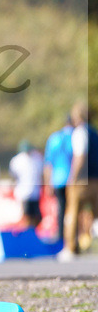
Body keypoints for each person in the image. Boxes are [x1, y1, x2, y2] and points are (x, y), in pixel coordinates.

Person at [60, 102, 98, 260]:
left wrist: (72, 178)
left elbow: (80, 157)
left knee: (72, 211)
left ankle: (70, 247)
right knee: (96, 214)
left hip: (83, 180)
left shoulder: (80, 132)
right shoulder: (95, 132)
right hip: (96, 179)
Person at [43, 117, 74, 245]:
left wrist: (47, 183)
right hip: (73, 179)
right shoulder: (75, 136)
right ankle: (72, 238)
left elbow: (48, 163)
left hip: (57, 179)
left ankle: (61, 238)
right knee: (72, 209)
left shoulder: (54, 138)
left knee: (61, 209)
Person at [9, 140, 43, 230]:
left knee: (36, 217)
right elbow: (13, 176)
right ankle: (25, 235)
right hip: (24, 193)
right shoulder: (18, 160)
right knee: (26, 217)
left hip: (34, 193)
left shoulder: (36, 159)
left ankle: (30, 233)